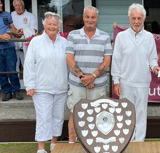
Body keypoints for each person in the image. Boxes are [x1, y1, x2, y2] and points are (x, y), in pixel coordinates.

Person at [111, 3, 160, 142]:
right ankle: (127, 141)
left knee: (140, 113)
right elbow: (116, 60)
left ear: (144, 18)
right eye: (133, 18)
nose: (136, 21)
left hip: (143, 82)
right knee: (126, 114)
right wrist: (116, 81)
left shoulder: (149, 37)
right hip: (125, 82)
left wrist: (155, 67)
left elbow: (152, 59)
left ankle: (139, 142)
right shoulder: (121, 37)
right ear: (129, 18)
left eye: (139, 18)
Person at [66, 6, 112, 143]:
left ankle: (94, 145)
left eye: (93, 17)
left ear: (97, 19)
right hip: (77, 84)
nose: (90, 20)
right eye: (87, 17)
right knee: (75, 114)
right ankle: (71, 145)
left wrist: (92, 77)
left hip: (97, 85)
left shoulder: (105, 36)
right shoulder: (73, 35)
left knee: (98, 116)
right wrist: (83, 78)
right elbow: (69, 58)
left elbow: (107, 60)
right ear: (83, 18)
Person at [23, 12, 68, 153]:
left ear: (58, 26)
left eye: (55, 24)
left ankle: (54, 144)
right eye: (49, 24)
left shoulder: (65, 43)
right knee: (43, 118)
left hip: (61, 88)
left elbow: (69, 65)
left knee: (58, 118)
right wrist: (29, 85)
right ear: (44, 25)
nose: (52, 27)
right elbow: (29, 64)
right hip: (41, 88)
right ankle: (41, 148)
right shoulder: (36, 42)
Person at [0, 0, 23, 101]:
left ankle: (16, 91)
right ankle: (7, 92)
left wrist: (17, 32)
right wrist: (0, 36)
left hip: (9, 47)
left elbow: (12, 28)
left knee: (12, 71)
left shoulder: (7, 14)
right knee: (1, 72)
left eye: (1, 3)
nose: (1, 5)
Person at [11, 0, 37, 76]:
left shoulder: (30, 16)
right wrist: (15, 32)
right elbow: (8, 28)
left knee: (28, 67)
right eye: (16, 5)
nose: (18, 7)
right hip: (13, 46)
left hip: (25, 47)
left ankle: (28, 86)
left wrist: (23, 31)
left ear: (23, 5)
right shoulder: (11, 15)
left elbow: (34, 30)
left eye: (19, 5)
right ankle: (16, 87)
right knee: (14, 68)